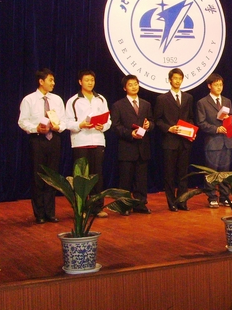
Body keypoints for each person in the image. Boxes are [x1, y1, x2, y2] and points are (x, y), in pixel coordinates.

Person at [18, 68, 66, 224]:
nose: (53, 83)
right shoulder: (29, 100)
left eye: (53, 80)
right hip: (37, 140)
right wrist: (35, 128)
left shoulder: (57, 100)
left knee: (52, 177)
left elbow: (64, 121)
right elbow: (22, 121)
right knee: (38, 176)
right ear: (41, 81)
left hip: (54, 139)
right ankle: (39, 214)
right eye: (50, 80)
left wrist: (58, 126)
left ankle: (50, 213)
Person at [66, 70, 111, 218]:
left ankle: (97, 208)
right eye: (87, 80)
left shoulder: (101, 99)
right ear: (80, 82)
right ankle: (81, 209)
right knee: (81, 178)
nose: (90, 83)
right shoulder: (73, 100)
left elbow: (108, 120)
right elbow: (67, 122)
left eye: (92, 80)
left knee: (97, 175)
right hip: (80, 141)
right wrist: (81, 125)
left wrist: (102, 126)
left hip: (97, 140)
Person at [110, 75, 154, 215]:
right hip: (127, 147)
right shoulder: (118, 105)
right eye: (130, 84)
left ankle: (140, 204)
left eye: (136, 84)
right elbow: (115, 126)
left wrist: (149, 125)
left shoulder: (146, 104)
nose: (134, 87)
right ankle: (124, 206)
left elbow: (152, 122)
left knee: (141, 180)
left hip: (143, 148)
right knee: (125, 180)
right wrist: (130, 133)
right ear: (125, 88)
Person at [154, 68, 195, 212]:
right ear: (170, 80)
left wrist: (191, 131)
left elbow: (191, 117)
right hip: (170, 141)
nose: (178, 81)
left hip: (184, 141)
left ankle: (182, 201)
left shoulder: (188, 97)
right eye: (175, 78)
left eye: (180, 78)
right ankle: (171, 202)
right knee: (169, 174)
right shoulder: (162, 99)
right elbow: (157, 120)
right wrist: (168, 128)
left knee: (183, 174)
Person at [196, 73, 232, 208]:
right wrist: (216, 129)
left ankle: (225, 197)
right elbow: (201, 122)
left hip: (227, 141)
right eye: (216, 85)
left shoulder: (227, 101)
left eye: (221, 85)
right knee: (212, 171)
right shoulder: (202, 102)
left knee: (225, 172)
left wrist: (229, 120)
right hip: (212, 142)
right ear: (209, 86)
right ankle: (212, 197)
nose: (219, 87)